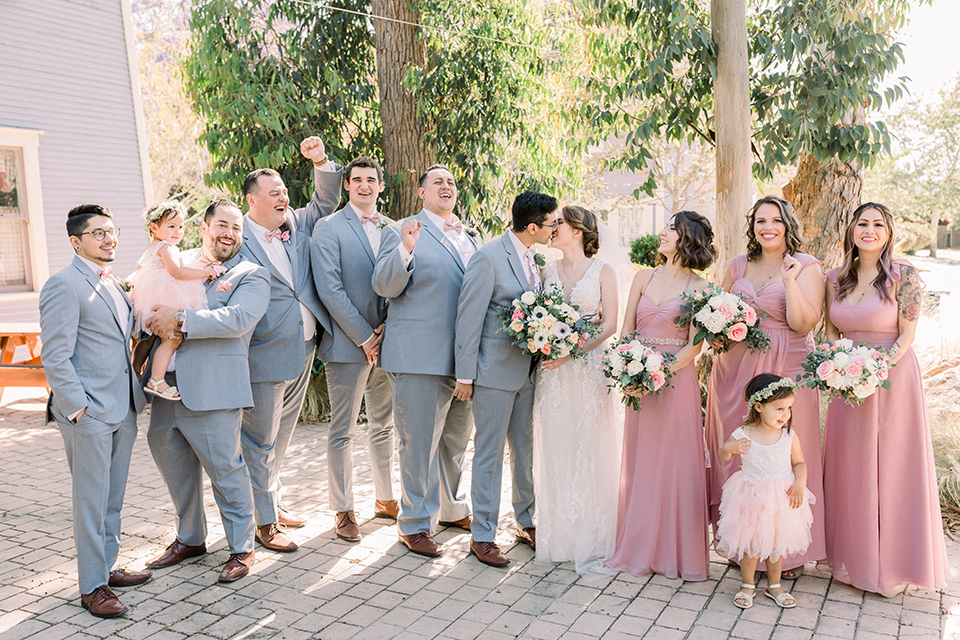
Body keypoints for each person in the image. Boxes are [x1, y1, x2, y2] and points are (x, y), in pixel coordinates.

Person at [821, 203, 948, 596]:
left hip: (892, 380)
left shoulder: (903, 275)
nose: (870, 230)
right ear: (852, 231)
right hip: (848, 384)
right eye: (863, 224)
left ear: (889, 233)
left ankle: (893, 566)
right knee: (852, 468)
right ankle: (855, 561)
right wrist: (843, 368)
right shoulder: (835, 278)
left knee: (893, 468)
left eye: (878, 224)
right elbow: (828, 333)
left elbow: (907, 336)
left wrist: (874, 371)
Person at [144, 199, 270, 584]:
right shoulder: (180, 264)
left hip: (215, 389)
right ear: (205, 227)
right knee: (174, 466)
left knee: (226, 471)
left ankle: (241, 547)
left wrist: (180, 317)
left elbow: (237, 319)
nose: (229, 233)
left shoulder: (252, 274)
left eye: (236, 228)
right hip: (168, 388)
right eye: (222, 225)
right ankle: (190, 538)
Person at [704, 195, 825, 576]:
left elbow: (804, 323)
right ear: (752, 226)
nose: (767, 227)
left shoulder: (806, 266)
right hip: (734, 369)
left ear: (788, 224)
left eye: (775, 219)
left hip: (786, 367)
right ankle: (742, 545)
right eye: (760, 220)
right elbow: (714, 315)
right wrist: (717, 333)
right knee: (740, 450)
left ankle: (785, 550)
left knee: (783, 454)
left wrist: (789, 282)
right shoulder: (737, 265)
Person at [39, 204, 148, 618]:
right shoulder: (63, 284)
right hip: (90, 414)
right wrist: (79, 409)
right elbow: (55, 356)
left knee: (113, 497)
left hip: (125, 408)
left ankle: (106, 566)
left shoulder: (114, 285)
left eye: (112, 230)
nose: (109, 238)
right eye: (98, 233)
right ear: (75, 241)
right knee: (90, 501)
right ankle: (91, 587)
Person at [237, 136, 340, 551]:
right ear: (251, 201)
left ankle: (272, 504)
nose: (283, 197)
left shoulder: (296, 225)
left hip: (305, 347)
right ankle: (262, 524)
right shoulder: (235, 237)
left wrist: (321, 161)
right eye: (274, 193)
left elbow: (324, 202)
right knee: (259, 440)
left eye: (284, 191)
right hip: (263, 352)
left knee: (281, 438)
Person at [373, 164, 480, 557]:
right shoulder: (401, 230)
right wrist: (407, 249)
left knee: (454, 442)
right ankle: (414, 523)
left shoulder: (471, 235)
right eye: (438, 182)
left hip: (465, 360)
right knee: (417, 444)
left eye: (452, 181)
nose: (447, 186)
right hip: (419, 356)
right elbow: (383, 285)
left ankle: (451, 508)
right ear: (421, 193)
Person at [606, 211, 715, 581]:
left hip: (674, 381)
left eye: (671, 228)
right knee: (642, 461)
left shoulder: (701, 289)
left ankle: (675, 551)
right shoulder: (642, 277)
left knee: (674, 462)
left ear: (687, 238)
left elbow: (693, 349)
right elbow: (625, 331)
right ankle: (637, 546)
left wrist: (657, 372)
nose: (663, 233)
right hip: (638, 381)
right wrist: (628, 369)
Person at [454, 191, 558, 567]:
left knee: (524, 451)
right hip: (493, 374)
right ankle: (482, 535)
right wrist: (465, 375)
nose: (555, 229)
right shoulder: (488, 258)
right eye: (551, 224)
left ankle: (526, 521)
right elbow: (468, 319)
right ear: (533, 227)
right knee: (489, 454)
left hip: (528, 374)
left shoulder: (538, 260)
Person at [525, 204, 620, 576]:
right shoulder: (545, 271)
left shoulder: (603, 271)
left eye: (559, 223)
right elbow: (534, 316)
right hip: (552, 373)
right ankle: (559, 536)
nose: (553, 227)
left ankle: (592, 535)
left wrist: (571, 353)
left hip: (586, 371)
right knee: (556, 443)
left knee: (588, 445)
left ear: (578, 231)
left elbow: (610, 324)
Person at [311, 156, 398, 542]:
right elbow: (329, 289)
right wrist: (365, 336)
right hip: (349, 343)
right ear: (346, 185)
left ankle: (385, 498)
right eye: (357, 179)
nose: (365, 185)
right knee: (342, 430)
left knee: (384, 424)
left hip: (390, 342)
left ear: (382, 187)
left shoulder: (397, 228)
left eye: (372, 180)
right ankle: (343, 509)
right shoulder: (328, 228)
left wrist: (386, 331)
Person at [716, 374, 814, 610]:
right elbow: (723, 455)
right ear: (758, 406)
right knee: (750, 544)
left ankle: (774, 585)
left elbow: (799, 463)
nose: (785, 415)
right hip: (750, 496)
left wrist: (800, 483)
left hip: (781, 497)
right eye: (779, 408)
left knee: (775, 543)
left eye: (788, 408)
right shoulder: (744, 433)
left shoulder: (789, 436)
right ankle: (747, 584)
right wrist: (729, 448)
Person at [128, 200, 223, 400]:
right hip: (165, 296)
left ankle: (134, 371)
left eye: (181, 226)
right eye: (171, 226)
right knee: (173, 337)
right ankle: (157, 380)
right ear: (154, 228)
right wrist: (205, 271)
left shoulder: (152, 247)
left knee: (150, 338)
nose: (178, 231)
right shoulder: (166, 247)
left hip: (150, 297)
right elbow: (177, 272)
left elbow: (139, 272)